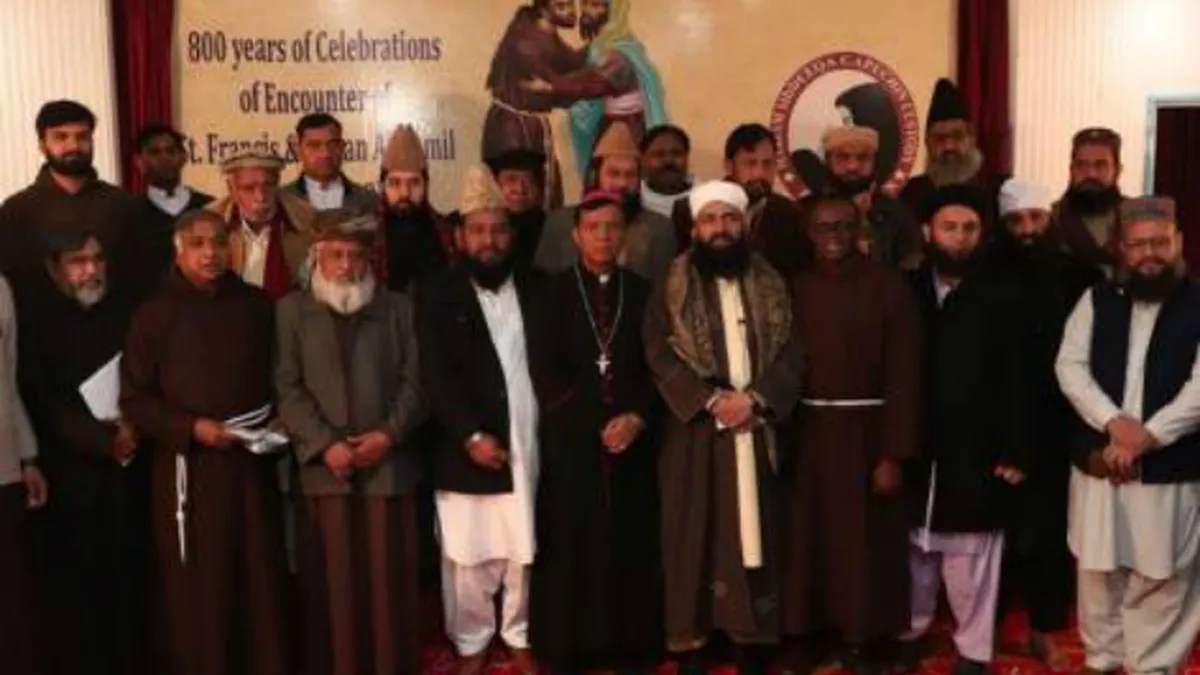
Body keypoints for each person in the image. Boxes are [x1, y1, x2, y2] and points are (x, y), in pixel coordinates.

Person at [645, 180, 805, 675]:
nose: (721, 229)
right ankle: (693, 639)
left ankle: (751, 638)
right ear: (695, 229)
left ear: (744, 225)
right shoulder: (671, 283)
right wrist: (711, 400)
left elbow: (792, 350)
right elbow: (656, 350)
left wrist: (754, 400)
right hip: (695, 430)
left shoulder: (771, 280)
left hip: (755, 424)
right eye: (710, 220)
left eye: (730, 219)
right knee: (694, 530)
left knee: (756, 530)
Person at [120, 209, 290, 675]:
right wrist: (193, 428)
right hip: (189, 469)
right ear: (178, 251)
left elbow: (282, 376)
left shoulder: (258, 306)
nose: (210, 253)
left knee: (259, 577)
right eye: (197, 244)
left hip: (251, 464)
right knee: (201, 585)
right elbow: (135, 400)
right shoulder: (153, 314)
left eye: (218, 241)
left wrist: (280, 416)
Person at [276, 210, 427, 675]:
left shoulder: (399, 308)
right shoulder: (290, 312)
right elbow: (286, 388)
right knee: (332, 587)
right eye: (336, 255)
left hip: (387, 468)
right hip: (325, 471)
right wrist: (326, 445)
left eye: (356, 256)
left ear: (369, 260)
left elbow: (418, 382)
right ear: (317, 257)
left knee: (387, 587)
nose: (346, 266)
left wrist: (387, 435)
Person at [1056, 197, 1200, 675]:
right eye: (1138, 245)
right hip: (1102, 461)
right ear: (1121, 248)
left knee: (1164, 573)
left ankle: (1152, 667)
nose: (1150, 254)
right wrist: (1112, 423)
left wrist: (1150, 435)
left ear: (1179, 243)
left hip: (1170, 466)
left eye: (1160, 242)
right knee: (1098, 569)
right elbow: (1070, 366)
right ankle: (1102, 660)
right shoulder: (1096, 300)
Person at [781, 195, 921, 675]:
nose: (834, 236)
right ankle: (809, 633)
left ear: (858, 229)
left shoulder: (888, 287)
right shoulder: (796, 286)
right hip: (809, 432)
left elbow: (904, 374)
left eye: (843, 226)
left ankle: (861, 637)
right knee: (808, 540)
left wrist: (893, 454)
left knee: (862, 544)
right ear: (810, 234)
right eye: (824, 227)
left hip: (868, 434)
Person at [527, 190, 663, 673]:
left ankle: (631, 645)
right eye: (593, 228)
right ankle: (570, 646)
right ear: (576, 235)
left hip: (633, 443)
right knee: (571, 544)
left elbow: (659, 366)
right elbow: (543, 370)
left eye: (612, 227)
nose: (604, 236)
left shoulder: (644, 292)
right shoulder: (552, 294)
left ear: (624, 234)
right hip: (572, 445)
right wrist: (594, 425)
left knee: (631, 543)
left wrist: (637, 418)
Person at [898, 185, 1029, 675]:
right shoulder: (906, 290)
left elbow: (1024, 376)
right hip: (917, 441)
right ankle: (910, 633)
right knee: (914, 550)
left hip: (978, 447)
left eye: (970, 228)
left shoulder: (1004, 293)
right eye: (949, 227)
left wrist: (1017, 448)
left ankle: (973, 650)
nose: (959, 238)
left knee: (971, 557)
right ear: (928, 231)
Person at [417, 166, 542, 675]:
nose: (489, 241)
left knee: (521, 548)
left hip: (526, 441)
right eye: (478, 230)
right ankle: (471, 641)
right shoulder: (435, 293)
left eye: (498, 230)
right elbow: (434, 373)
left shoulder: (537, 286)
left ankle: (518, 635)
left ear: (511, 235)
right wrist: (470, 435)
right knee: (467, 554)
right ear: (459, 237)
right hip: (463, 442)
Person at [18, 230, 150, 675]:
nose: (91, 270)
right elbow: (41, 400)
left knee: (132, 592)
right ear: (53, 269)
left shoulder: (127, 315)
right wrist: (103, 440)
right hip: (68, 481)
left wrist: (133, 425)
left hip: (128, 478)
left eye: (97, 259)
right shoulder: (36, 325)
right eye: (77, 261)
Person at [988, 178, 1100, 668]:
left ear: (1050, 218)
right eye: (1016, 221)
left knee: (1048, 540)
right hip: (996, 428)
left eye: (1035, 218)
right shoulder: (985, 277)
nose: (1027, 229)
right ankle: (986, 632)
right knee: (994, 541)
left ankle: (1043, 630)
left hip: (1056, 426)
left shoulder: (1078, 278)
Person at [0, 100, 151, 304]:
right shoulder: (17, 211)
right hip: (41, 323)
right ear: (42, 145)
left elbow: (141, 278)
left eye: (82, 137)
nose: (74, 146)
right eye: (61, 137)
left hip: (117, 322)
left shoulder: (122, 204)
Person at [522, 0, 668, 176]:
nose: (586, 11)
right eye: (585, 3)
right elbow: (576, 64)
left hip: (627, 128)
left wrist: (552, 87)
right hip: (610, 123)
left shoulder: (620, 52)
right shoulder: (600, 46)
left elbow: (595, 82)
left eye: (596, 4)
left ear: (614, 12)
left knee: (620, 175)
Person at [535, 122, 676, 282]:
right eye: (614, 173)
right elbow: (544, 283)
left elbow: (663, 290)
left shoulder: (659, 227)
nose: (622, 183)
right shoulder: (560, 222)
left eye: (630, 175)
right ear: (595, 176)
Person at [483, 0, 588, 209]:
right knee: (519, 201)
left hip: (527, 126)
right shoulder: (527, 44)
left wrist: (598, 49)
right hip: (514, 132)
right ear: (543, 9)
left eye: (570, 4)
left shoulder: (542, 31)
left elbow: (569, 63)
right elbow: (558, 86)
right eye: (561, 5)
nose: (570, 11)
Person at [672, 124, 812, 278]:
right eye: (750, 163)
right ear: (729, 166)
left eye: (768, 163)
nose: (759, 173)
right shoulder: (690, 210)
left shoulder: (790, 214)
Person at [0, 271, 47, 675]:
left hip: (4, 470)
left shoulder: (0, 288)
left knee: (12, 605)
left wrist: (28, 456)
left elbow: (9, 379)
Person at [206, 149, 317, 300]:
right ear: (231, 189)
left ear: (277, 184)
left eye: (268, 186)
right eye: (248, 188)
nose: (260, 197)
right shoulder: (211, 222)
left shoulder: (306, 222)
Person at [899, 79, 1006, 231]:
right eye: (940, 138)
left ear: (972, 138)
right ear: (927, 143)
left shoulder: (1000, 190)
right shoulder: (911, 194)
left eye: (957, 136)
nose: (949, 146)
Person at [821, 124, 921, 270]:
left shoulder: (895, 211)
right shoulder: (810, 210)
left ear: (875, 161)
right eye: (843, 157)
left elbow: (910, 265)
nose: (853, 166)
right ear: (828, 161)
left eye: (862, 157)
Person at [377, 123, 457, 292]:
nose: (405, 193)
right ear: (382, 186)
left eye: (414, 183)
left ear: (426, 185)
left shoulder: (448, 233)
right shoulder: (368, 235)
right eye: (395, 183)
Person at [135, 122, 214, 281]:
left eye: (171, 151)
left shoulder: (208, 207)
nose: (164, 158)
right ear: (140, 161)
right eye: (154, 152)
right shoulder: (130, 212)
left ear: (183, 157)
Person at [1053, 127, 1125, 275]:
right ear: (1071, 170)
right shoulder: (1051, 219)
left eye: (1100, 165)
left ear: (1117, 170)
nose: (1091, 174)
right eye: (1081, 165)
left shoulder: (1136, 218)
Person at [285, 113, 377, 212]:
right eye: (314, 145)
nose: (325, 154)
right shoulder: (281, 201)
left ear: (342, 147)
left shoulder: (369, 201)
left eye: (333, 145)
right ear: (298, 150)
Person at [486, 148, 548, 272]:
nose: (520, 188)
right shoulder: (480, 226)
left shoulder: (552, 227)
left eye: (529, 181)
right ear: (495, 184)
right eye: (511, 179)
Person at [640, 123, 692, 218]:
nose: (668, 160)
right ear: (643, 159)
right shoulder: (636, 199)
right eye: (659, 154)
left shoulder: (704, 198)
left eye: (677, 153)